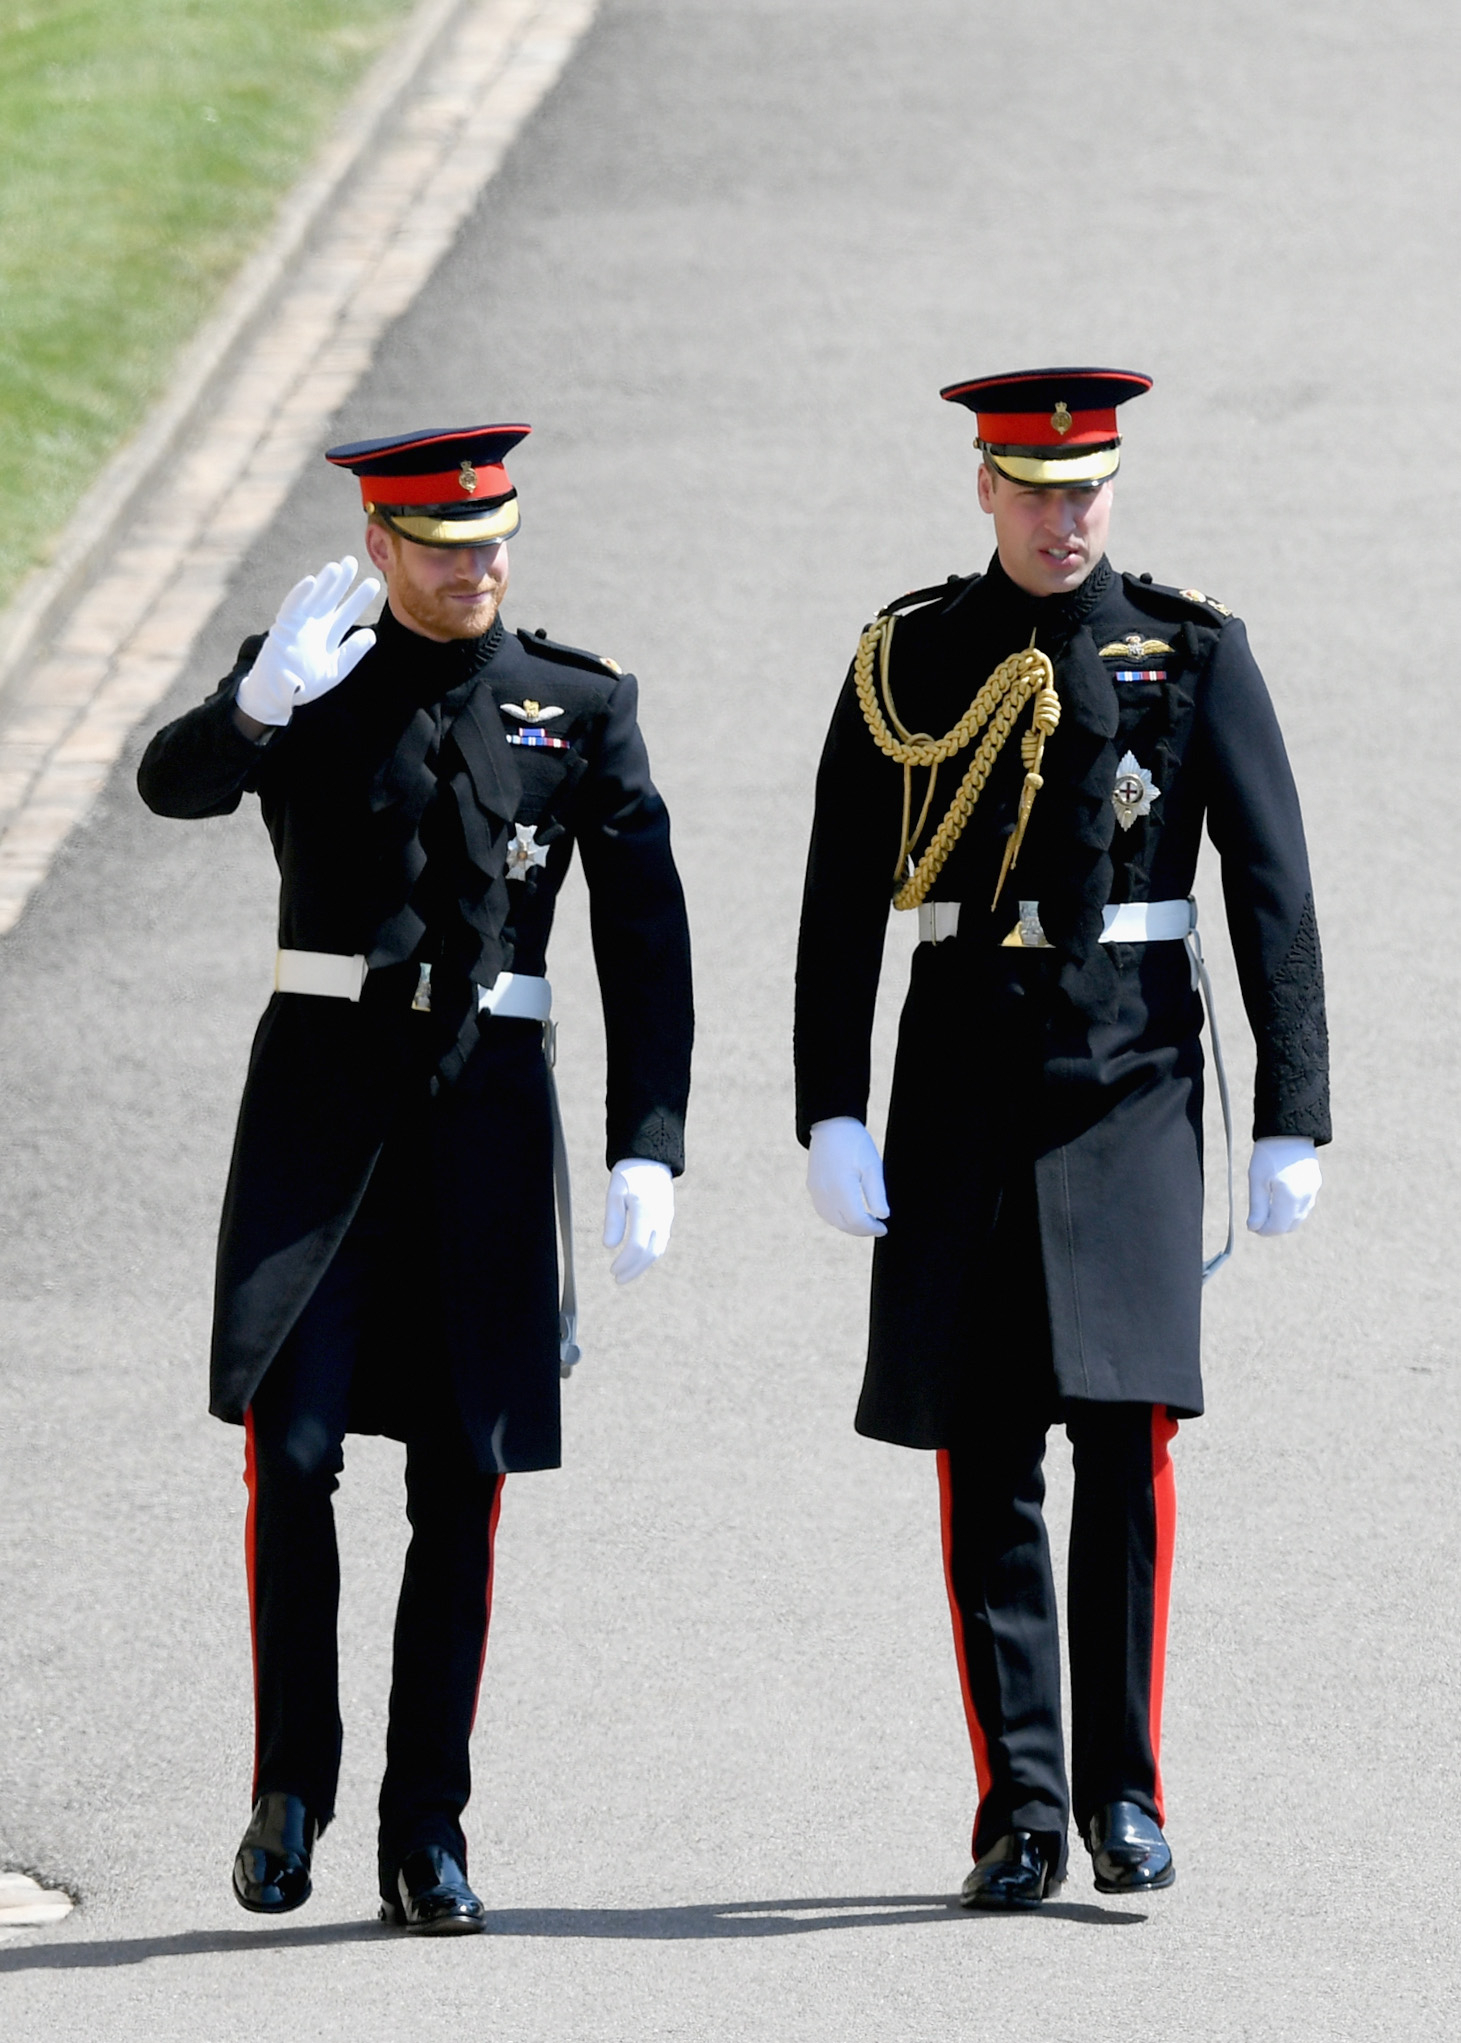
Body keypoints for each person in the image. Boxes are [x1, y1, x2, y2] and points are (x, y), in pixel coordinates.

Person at [138, 424, 692, 1933]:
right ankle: (288, 1788)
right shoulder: (308, 667)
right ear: (380, 544)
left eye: (494, 542)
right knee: (293, 1448)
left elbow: (645, 938)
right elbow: (168, 790)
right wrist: (253, 711)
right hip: (320, 1116)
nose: (476, 569)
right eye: (444, 547)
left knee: (463, 1478)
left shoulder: (578, 702)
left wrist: (651, 1140)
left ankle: (425, 1829)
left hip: (486, 1120)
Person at [794, 368, 1328, 1908]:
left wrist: (1295, 1109)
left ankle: (1125, 1796)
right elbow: (840, 890)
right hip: (963, 1053)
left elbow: (1270, 888)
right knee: (985, 1440)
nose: (1063, 517)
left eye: (1086, 488)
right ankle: (1017, 1806)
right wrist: (828, 1101)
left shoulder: (1190, 648)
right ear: (982, 490)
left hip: (1133, 1060)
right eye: (1034, 490)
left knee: (1125, 1427)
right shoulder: (911, 655)